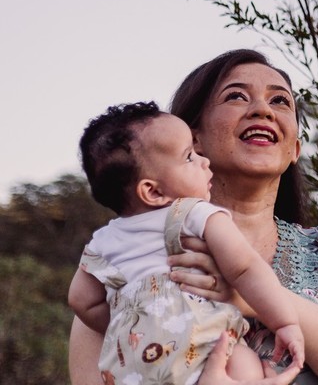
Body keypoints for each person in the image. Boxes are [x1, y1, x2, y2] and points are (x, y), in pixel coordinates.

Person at [70, 49, 318, 385]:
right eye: (236, 96)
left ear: (295, 150)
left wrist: (249, 296)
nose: (262, 110)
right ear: (193, 137)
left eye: (280, 101)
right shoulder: (130, 258)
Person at [69, 102, 305, 385]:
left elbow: (81, 300)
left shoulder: (103, 240)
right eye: (189, 157)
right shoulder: (191, 212)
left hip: (132, 369)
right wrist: (285, 322)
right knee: (245, 363)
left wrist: (133, 320)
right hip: (201, 344)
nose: (204, 161)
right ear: (153, 191)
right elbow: (244, 268)